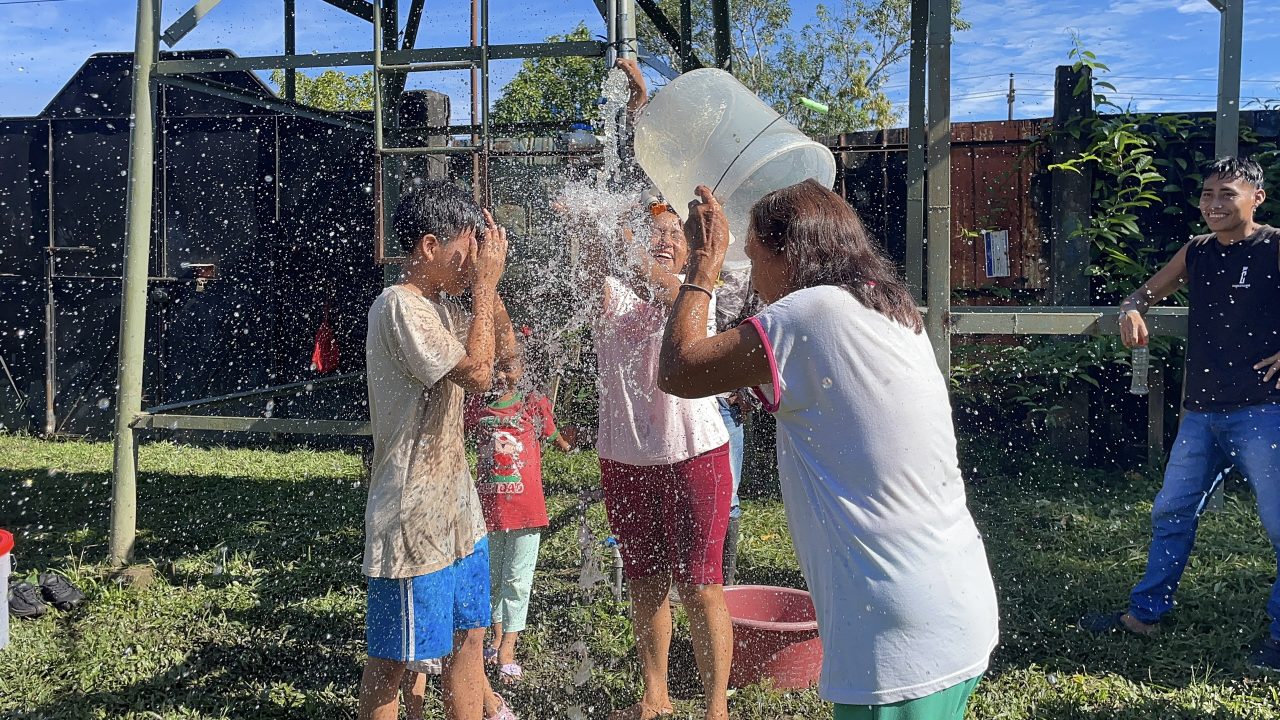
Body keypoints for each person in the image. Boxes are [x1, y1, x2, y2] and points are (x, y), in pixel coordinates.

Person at [658, 181, 1000, 719]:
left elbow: (679, 369)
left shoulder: (807, 316)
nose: (752, 278)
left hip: (895, 639)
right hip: (955, 603)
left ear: (788, 255)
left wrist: (703, 264)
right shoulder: (886, 304)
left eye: (754, 258)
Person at [1079, 156, 1280, 671]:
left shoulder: (1274, 246)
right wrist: (1131, 309)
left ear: (1256, 198)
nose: (1214, 204)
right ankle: (1144, 615)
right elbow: (1146, 291)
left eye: (1227, 194)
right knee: (1171, 512)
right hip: (1202, 414)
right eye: (1207, 194)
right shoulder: (1198, 251)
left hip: (1264, 410)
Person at [360, 179, 518, 720]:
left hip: (458, 514)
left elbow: (505, 354)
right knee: (392, 662)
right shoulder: (399, 306)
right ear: (429, 247)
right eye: (465, 248)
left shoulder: (446, 308)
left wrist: (487, 284)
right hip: (411, 519)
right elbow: (478, 373)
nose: (472, 261)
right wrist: (484, 286)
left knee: (470, 638)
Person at [465, 347, 573, 685]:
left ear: (524, 368)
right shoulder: (475, 406)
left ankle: (508, 648)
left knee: (516, 580)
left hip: (527, 512)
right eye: (494, 367)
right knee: (492, 580)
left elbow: (557, 440)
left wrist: (572, 442)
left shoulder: (532, 403)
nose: (500, 375)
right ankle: (496, 638)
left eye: (508, 368)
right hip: (488, 512)